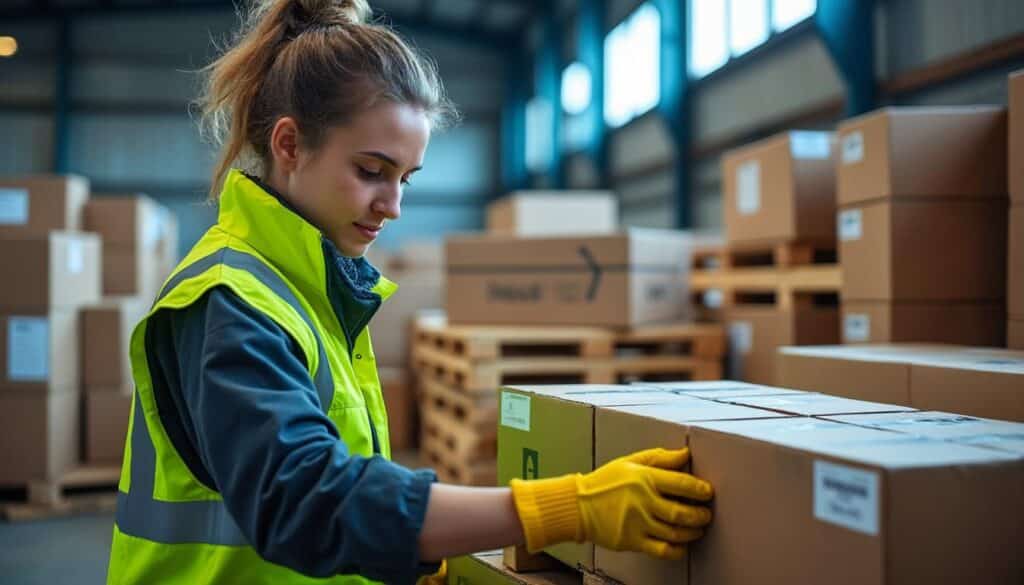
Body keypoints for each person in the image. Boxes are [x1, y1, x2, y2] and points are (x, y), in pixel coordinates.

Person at [105, 1, 714, 583]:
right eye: (371, 171)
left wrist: (401, 555)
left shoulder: (310, 290)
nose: (392, 206)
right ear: (289, 145)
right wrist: (560, 508)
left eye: (405, 178)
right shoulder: (228, 302)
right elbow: (305, 501)